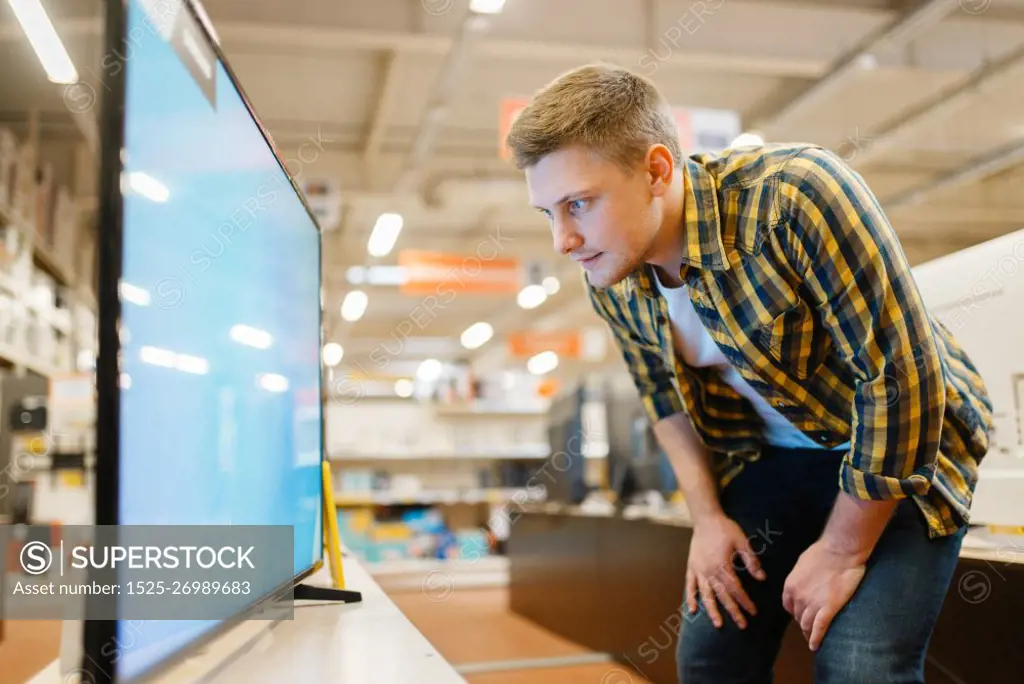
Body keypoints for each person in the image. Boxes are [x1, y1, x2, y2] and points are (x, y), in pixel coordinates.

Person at [505, 63, 993, 684]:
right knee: (711, 656)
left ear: (657, 170)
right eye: (548, 212)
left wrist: (842, 550)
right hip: (776, 460)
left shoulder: (795, 197)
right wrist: (707, 520)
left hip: (901, 443)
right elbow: (664, 401)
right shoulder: (613, 274)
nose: (563, 240)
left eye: (578, 203)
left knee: (859, 665)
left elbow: (901, 379)